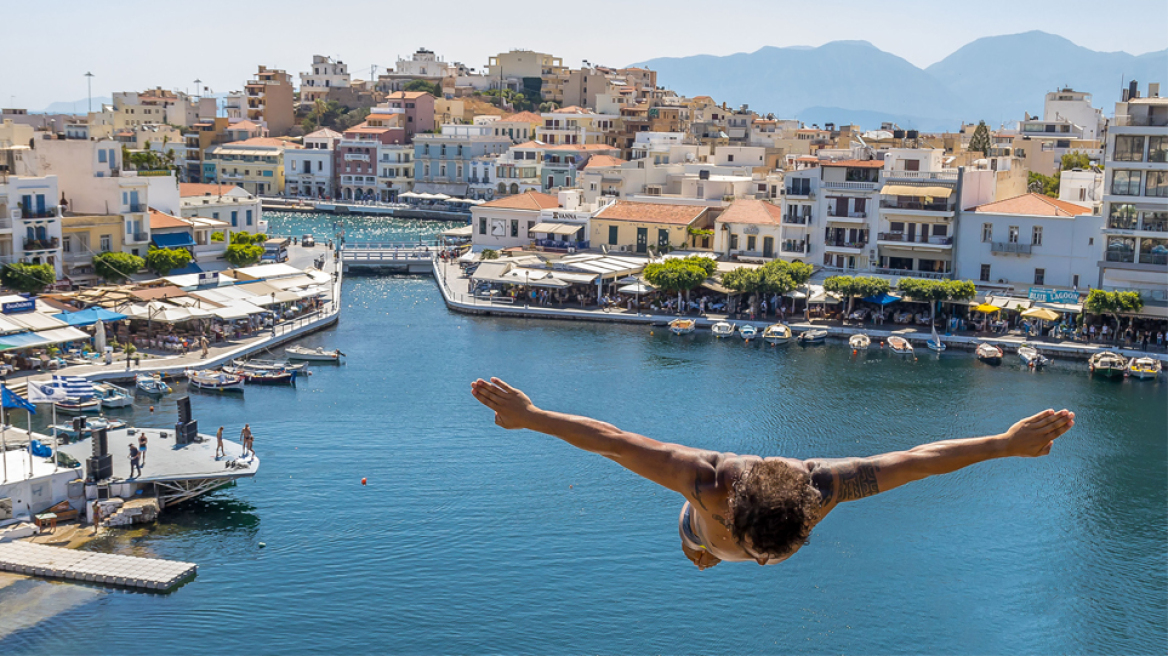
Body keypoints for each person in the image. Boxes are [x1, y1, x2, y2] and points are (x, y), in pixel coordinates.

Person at [470, 377, 1075, 569]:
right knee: (696, 551)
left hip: (729, 528)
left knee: (715, 553)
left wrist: (1003, 444)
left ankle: (711, 552)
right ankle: (702, 550)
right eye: (762, 552)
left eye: (773, 554)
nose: (764, 561)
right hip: (700, 530)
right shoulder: (702, 482)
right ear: (733, 510)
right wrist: (532, 416)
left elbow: (919, 461)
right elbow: (613, 442)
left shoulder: (824, 489)